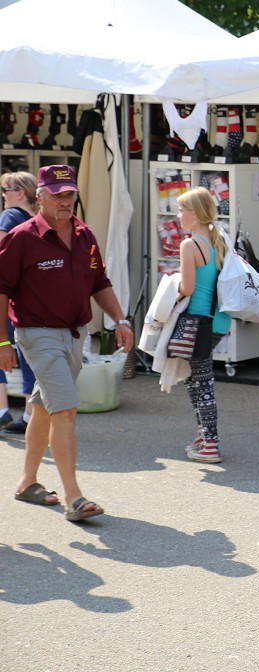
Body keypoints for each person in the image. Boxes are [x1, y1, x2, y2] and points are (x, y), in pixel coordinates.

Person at [0, 164, 134, 521]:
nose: (65, 201)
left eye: (70, 194)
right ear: (39, 195)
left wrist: (119, 319)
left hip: (76, 335)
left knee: (44, 406)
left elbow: (99, 282)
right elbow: (1, 290)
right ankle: (74, 498)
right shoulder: (22, 237)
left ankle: (27, 482)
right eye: (57, 195)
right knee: (65, 410)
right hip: (36, 334)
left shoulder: (84, 234)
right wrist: (1, 343)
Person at [175, 187, 232, 463]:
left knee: (201, 382)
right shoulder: (219, 239)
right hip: (219, 320)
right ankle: (203, 435)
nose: (179, 215)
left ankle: (210, 444)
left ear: (195, 214)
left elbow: (187, 288)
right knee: (194, 377)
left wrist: (169, 292)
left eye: (182, 209)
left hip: (198, 321)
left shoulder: (190, 245)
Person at [0, 171, 39, 434]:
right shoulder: (37, 220)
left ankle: (2, 409)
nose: (3, 195)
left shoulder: (10, 216)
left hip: (6, 293)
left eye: (6, 189)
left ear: (20, 193)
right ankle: (27, 414)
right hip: (27, 295)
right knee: (27, 355)